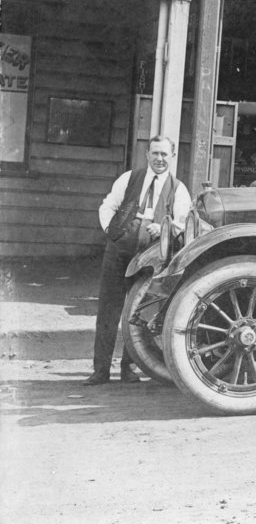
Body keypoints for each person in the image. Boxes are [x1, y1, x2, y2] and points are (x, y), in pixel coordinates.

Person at [85, 136, 191, 385]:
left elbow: (181, 223)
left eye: (164, 154)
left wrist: (163, 228)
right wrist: (113, 232)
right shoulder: (129, 178)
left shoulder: (178, 189)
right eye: (155, 153)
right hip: (120, 247)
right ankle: (100, 371)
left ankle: (128, 369)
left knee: (138, 310)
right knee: (108, 307)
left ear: (172, 156)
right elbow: (107, 206)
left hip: (151, 253)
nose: (160, 159)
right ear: (147, 154)